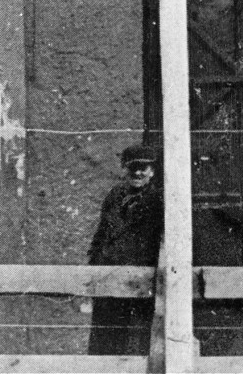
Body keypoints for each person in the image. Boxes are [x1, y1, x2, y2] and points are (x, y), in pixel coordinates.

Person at [88, 143, 164, 355]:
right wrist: (95, 271)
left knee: (134, 343)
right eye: (133, 167)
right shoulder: (115, 196)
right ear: (125, 169)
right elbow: (101, 235)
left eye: (143, 167)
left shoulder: (158, 201)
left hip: (139, 283)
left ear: (152, 171)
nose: (138, 172)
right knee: (104, 341)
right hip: (108, 279)